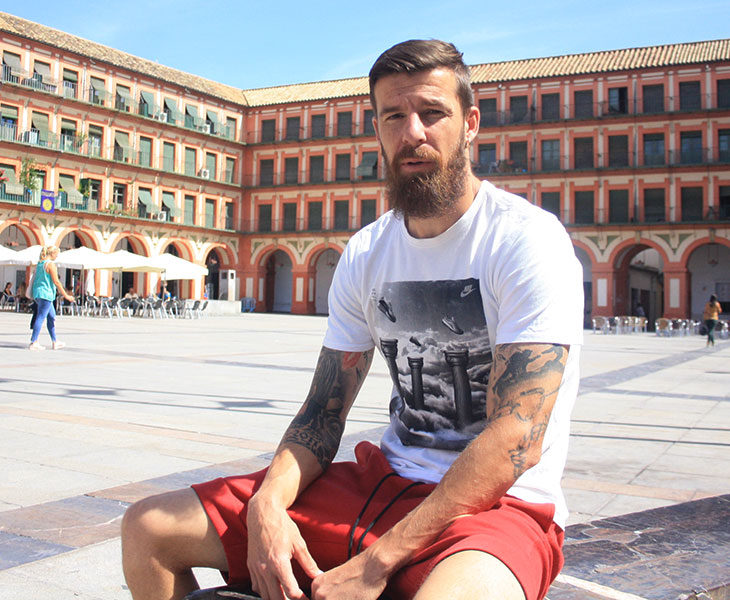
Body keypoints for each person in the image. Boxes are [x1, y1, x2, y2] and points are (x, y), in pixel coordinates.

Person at [121, 39, 583, 600]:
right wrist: (268, 502)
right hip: (382, 481)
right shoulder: (366, 252)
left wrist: (374, 564)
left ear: (471, 124)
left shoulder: (525, 240)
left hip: (500, 508)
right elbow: (322, 412)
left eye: (433, 113)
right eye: (395, 116)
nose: (413, 131)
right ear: (378, 129)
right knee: (147, 527)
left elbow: (517, 438)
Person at [28, 245, 74, 351]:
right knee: (40, 317)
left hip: (38, 293)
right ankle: (34, 342)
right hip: (46, 294)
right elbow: (56, 281)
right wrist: (66, 295)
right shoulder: (50, 264)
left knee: (51, 317)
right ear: (52, 253)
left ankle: (55, 341)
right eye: (56, 254)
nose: (57, 256)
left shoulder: (40, 264)